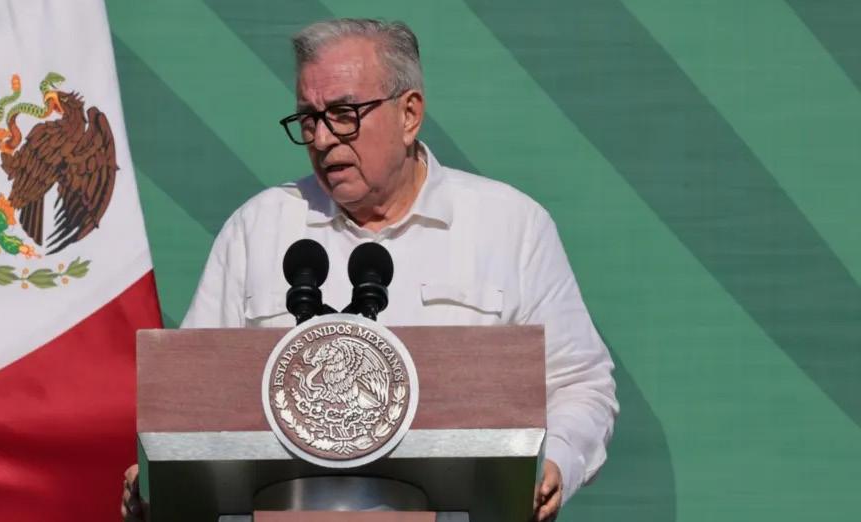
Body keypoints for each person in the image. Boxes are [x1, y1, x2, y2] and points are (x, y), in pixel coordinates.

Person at [123, 18, 617, 522]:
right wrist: (162, 472)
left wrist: (556, 462)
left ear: (409, 114)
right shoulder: (259, 228)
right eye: (309, 119)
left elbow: (580, 383)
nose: (322, 138)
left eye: (344, 114)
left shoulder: (510, 226)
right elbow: (192, 399)